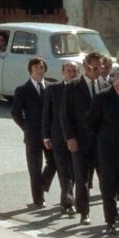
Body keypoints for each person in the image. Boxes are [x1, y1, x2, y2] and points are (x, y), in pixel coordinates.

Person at [87, 69, 119, 234]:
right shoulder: (102, 98)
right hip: (108, 151)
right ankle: (111, 220)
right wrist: (105, 137)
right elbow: (91, 122)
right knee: (109, 187)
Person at [62, 51, 105, 225]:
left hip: (101, 142)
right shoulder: (73, 86)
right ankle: (84, 212)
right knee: (82, 179)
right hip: (80, 141)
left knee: (106, 178)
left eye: (101, 66)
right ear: (86, 67)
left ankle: (110, 215)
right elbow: (65, 115)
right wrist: (70, 137)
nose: (99, 70)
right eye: (96, 67)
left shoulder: (104, 84)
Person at [11, 57, 57, 209]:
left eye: (42, 67)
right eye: (36, 67)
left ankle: (42, 184)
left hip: (49, 134)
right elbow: (15, 112)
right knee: (35, 168)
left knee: (54, 162)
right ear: (30, 71)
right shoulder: (23, 89)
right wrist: (26, 128)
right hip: (33, 136)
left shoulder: (51, 87)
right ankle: (38, 199)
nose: (39, 70)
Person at [42, 61, 79, 214]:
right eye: (68, 71)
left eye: (74, 71)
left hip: (76, 137)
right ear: (63, 72)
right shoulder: (53, 89)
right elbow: (46, 114)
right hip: (58, 137)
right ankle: (68, 202)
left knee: (74, 171)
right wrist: (45, 136)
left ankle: (67, 199)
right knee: (64, 170)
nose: (71, 74)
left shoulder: (80, 89)